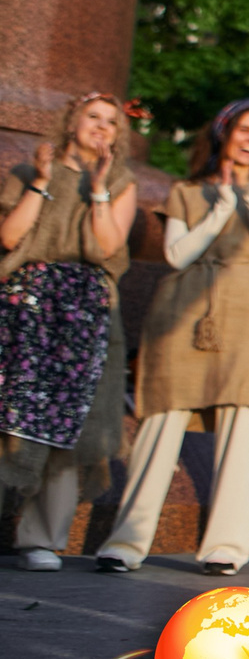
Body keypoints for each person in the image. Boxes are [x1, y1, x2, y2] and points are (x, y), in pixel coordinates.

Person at [101, 99, 249, 574]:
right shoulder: (187, 191)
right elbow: (176, 254)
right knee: (163, 415)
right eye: (244, 130)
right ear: (223, 135)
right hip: (186, 309)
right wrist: (218, 212)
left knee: (241, 422)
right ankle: (128, 541)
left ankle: (226, 546)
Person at [1, 94, 139, 569]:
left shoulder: (120, 182)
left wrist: (98, 189)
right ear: (72, 121)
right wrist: (40, 182)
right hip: (26, 302)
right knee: (10, 412)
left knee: (67, 421)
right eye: (93, 117)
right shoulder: (29, 170)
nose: (102, 127)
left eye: (112, 122)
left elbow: (106, 248)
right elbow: (10, 237)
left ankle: (40, 536)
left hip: (83, 311)